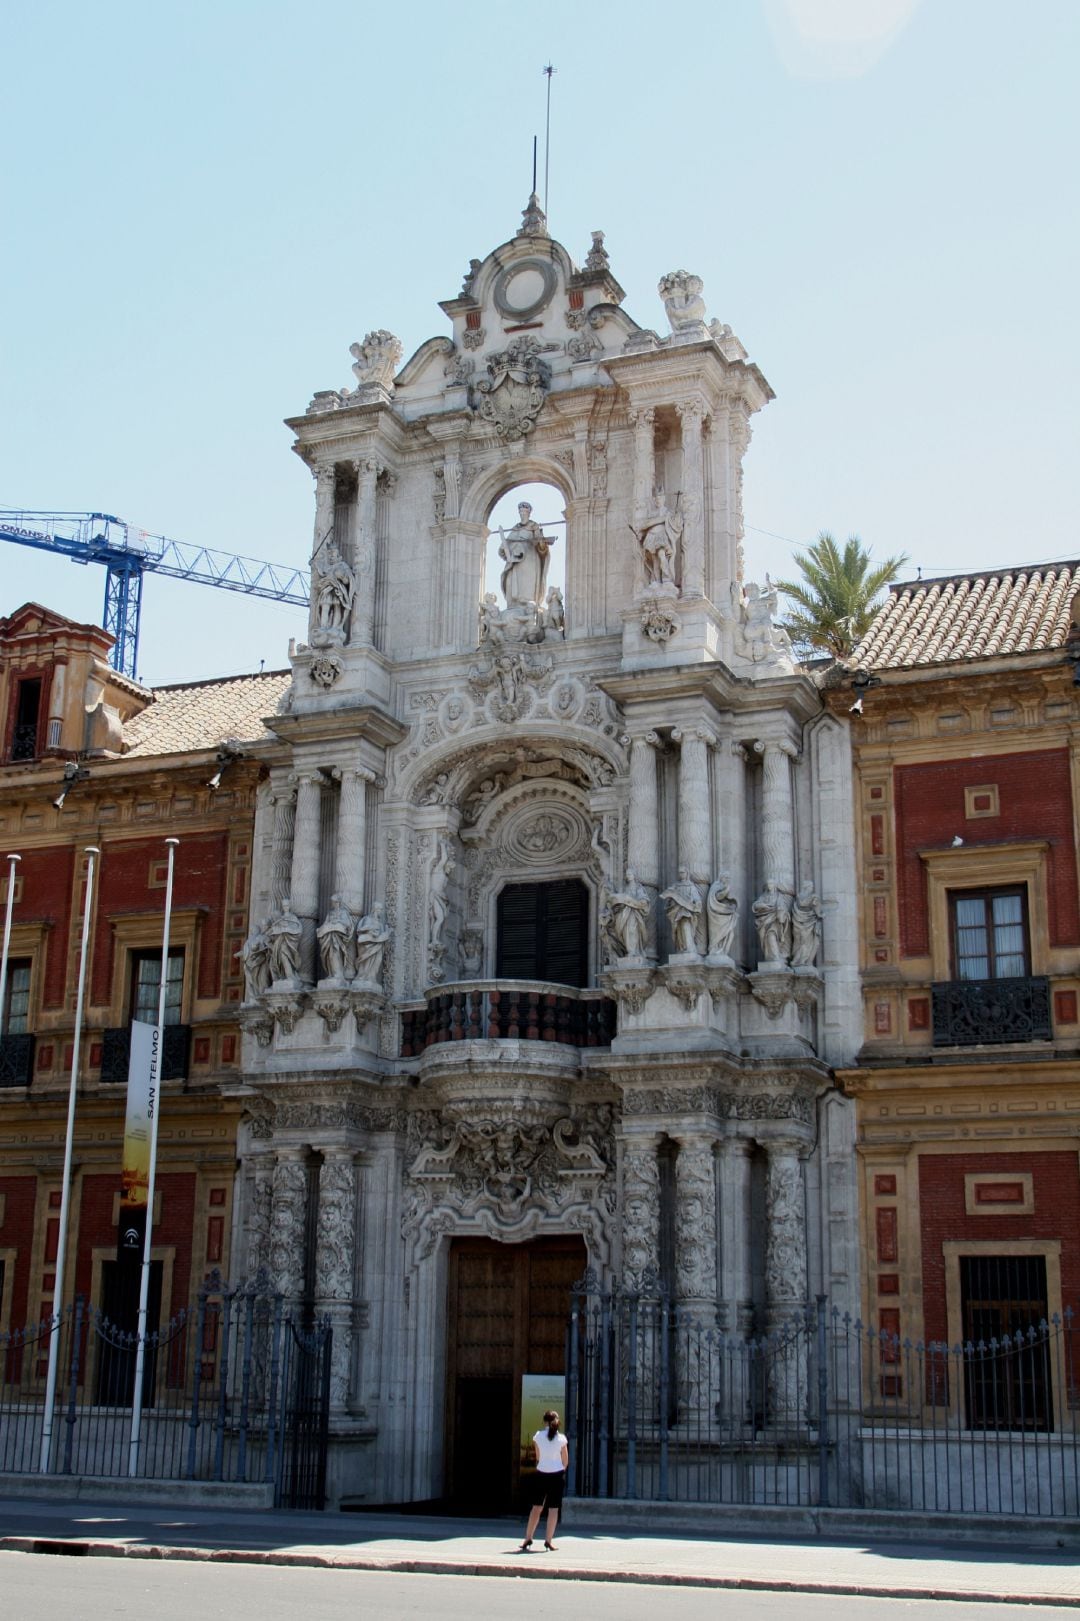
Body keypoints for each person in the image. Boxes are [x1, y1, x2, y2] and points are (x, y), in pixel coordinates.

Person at [520, 1409, 568, 1552]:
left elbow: (538, 1457)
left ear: (544, 1421)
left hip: (541, 1474)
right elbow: (565, 1460)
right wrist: (560, 1470)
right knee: (553, 1509)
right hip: (556, 1475)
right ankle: (548, 1541)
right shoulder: (562, 1439)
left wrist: (544, 1465)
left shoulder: (538, 1436)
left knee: (536, 1507)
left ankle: (528, 1537)